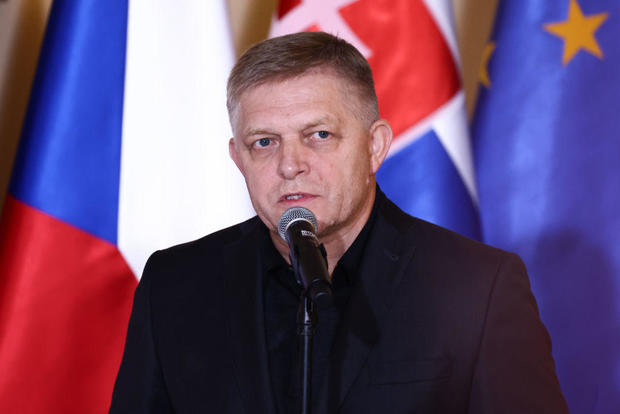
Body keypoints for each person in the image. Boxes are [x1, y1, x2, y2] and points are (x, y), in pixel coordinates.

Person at [109, 32, 568, 413]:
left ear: (375, 147)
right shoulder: (174, 284)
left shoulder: (476, 285)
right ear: (238, 158)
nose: (290, 164)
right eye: (265, 142)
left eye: (319, 135)